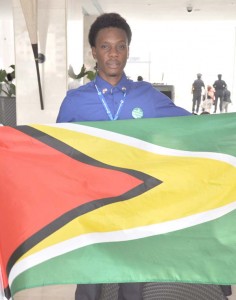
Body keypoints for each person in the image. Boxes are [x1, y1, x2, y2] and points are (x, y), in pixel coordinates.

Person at [57, 12, 191, 300]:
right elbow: (56, 151)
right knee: (90, 282)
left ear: (128, 50)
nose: (113, 54)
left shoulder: (148, 97)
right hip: (90, 205)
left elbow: (193, 127)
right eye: (105, 46)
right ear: (94, 51)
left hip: (136, 203)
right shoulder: (75, 101)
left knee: (133, 283)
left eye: (120, 46)